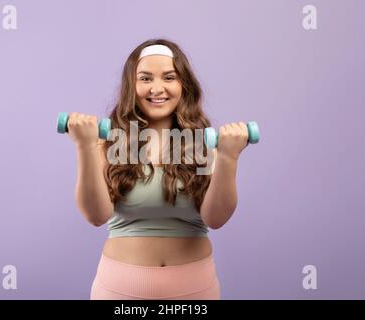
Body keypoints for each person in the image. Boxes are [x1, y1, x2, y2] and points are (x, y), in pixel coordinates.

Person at [67, 39, 250, 300]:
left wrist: (229, 158)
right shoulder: (111, 140)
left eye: (168, 77)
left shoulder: (201, 143)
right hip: (121, 291)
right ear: (132, 86)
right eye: (145, 78)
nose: (157, 88)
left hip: (194, 291)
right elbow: (96, 216)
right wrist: (85, 146)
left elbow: (216, 219)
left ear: (182, 84)